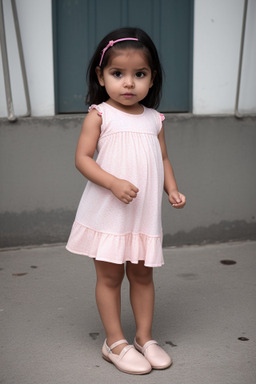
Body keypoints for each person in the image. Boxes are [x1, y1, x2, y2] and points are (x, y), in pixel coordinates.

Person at [66, 27, 186, 375]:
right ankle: (114, 341)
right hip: (108, 212)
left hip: (143, 215)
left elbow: (162, 159)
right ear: (101, 77)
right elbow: (83, 159)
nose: (129, 83)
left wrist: (172, 188)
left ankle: (144, 338)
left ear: (153, 78)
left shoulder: (154, 120)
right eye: (118, 74)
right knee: (109, 277)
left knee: (143, 275)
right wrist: (113, 182)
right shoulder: (100, 115)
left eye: (140, 74)